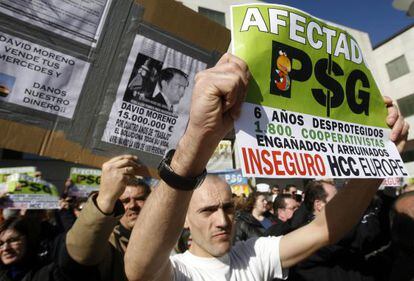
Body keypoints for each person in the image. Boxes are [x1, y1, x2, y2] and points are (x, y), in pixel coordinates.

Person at [123, 53, 409, 281]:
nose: (222, 221)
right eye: (207, 211)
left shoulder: (254, 255)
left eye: (228, 208)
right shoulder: (178, 272)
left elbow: (325, 229)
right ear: (182, 219)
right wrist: (198, 137)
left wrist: (376, 162)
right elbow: (140, 269)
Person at [65, 158, 150, 281]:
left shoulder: (169, 239)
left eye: (140, 198)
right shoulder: (105, 242)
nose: (132, 205)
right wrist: (104, 199)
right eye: (125, 201)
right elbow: (80, 257)